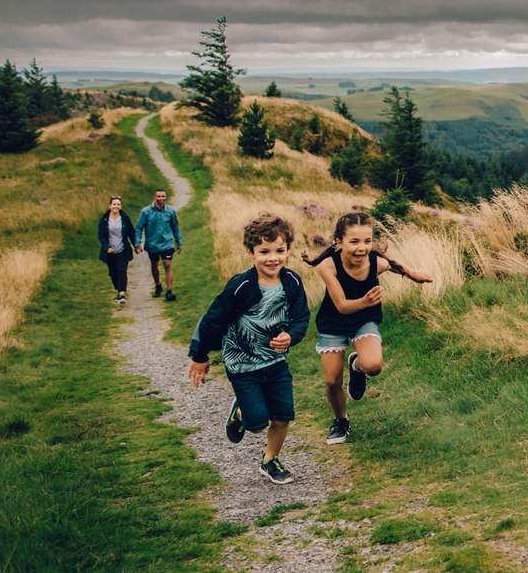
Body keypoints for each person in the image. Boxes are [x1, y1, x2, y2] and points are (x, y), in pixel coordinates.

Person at [186, 213, 310, 485]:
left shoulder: (293, 282)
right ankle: (241, 411)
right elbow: (212, 320)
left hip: (276, 362)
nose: (272, 258)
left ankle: (270, 460)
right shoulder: (240, 286)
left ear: (287, 250)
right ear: (250, 252)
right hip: (242, 365)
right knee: (257, 423)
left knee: (283, 415)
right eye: (264, 251)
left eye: (280, 250)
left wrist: (291, 336)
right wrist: (200, 356)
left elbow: (302, 319)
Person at [302, 211, 432, 445]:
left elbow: (392, 264)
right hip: (334, 322)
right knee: (332, 381)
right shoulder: (328, 266)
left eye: (367, 241)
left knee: (373, 366)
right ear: (339, 243)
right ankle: (341, 420)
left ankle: (357, 365)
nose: (362, 248)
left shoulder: (375, 262)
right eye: (354, 242)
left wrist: (414, 274)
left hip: (364, 319)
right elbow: (341, 305)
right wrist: (365, 301)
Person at [134, 188, 183, 301]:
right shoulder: (146, 212)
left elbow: (175, 227)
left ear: (165, 197)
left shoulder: (171, 211)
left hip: (167, 243)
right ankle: (158, 285)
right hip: (152, 244)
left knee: (167, 264)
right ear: (154, 197)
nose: (161, 199)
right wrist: (137, 244)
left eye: (163, 196)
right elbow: (139, 228)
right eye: (159, 196)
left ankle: (169, 291)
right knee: (154, 264)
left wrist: (179, 242)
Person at [97, 195, 135, 304]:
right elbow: (101, 236)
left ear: (121, 206)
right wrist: (107, 247)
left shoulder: (125, 218)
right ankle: (118, 289)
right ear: (110, 205)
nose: (116, 206)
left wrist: (136, 246)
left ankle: (121, 294)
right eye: (114, 204)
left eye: (118, 204)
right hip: (110, 251)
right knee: (113, 273)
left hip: (122, 249)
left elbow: (131, 233)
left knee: (122, 270)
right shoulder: (104, 219)